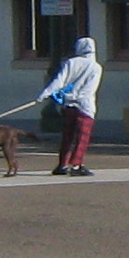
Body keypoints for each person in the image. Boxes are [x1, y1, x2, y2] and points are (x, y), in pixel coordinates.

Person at [40, 33, 102, 175]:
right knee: (82, 137)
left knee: (67, 136)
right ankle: (76, 165)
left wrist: (46, 93)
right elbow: (89, 90)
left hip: (68, 106)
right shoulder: (95, 67)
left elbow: (59, 81)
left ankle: (62, 164)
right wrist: (75, 97)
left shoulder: (71, 63)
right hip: (85, 107)